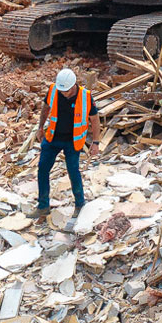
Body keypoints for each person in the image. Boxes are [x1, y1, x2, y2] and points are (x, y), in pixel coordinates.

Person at [28, 68, 101, 219]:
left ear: (74, 85)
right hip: (53, 137)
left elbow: (94, 119)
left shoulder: (86, 97)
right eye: (62, 90)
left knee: (73, 172)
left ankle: (80, 204)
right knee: (42, 169)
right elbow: (45, 108)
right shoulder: (54, 90)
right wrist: (40, 127)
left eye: (66, 91)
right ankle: (43, 206)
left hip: (73, 141)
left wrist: (96, 142)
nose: (63, 93)